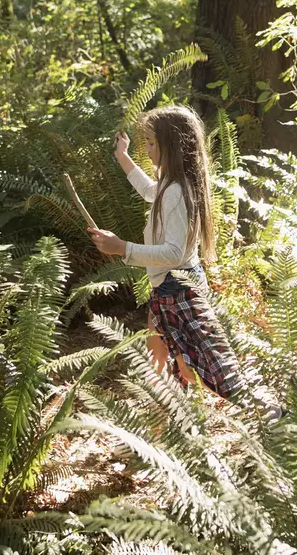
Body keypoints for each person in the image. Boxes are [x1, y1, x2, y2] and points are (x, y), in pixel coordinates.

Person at [88, 106, 245, 399]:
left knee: (200, 368)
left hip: (179, 287)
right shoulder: (173, 183)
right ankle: (162, 421)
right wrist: (123, 158)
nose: (146, 150)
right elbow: (151, 191)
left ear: (170, 145)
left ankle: (261, 413)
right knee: (156, 358)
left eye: (150, 143)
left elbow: (173, 253)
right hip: (168, 287)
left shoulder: (176, 190)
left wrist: (123, 248)